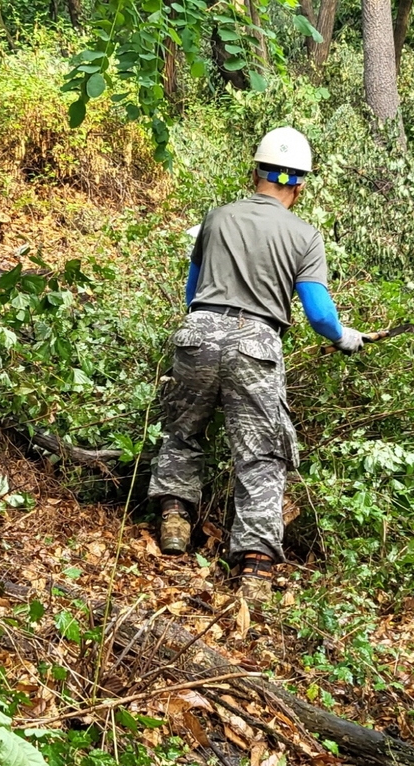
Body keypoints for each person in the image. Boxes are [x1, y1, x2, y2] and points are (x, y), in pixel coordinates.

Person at [148, 127, 365, 602]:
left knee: (183, 429)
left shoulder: (217, 217)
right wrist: (346, 338)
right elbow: (320, 314)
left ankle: (174, 519)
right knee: (262, 455)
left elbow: (193, 292)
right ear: (300, 185)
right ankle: (255, 567)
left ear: (255, 173)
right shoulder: (305, 236)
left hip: (198, 332)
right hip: (257, 344)